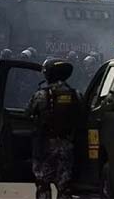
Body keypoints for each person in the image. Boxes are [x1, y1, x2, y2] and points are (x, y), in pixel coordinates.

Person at [27, 59, 80, 199]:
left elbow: (28, 113)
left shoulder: (41, 95)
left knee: (43, 184)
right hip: (67, 145)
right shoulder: (76, 94)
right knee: (64, 186)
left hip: (44, 146)